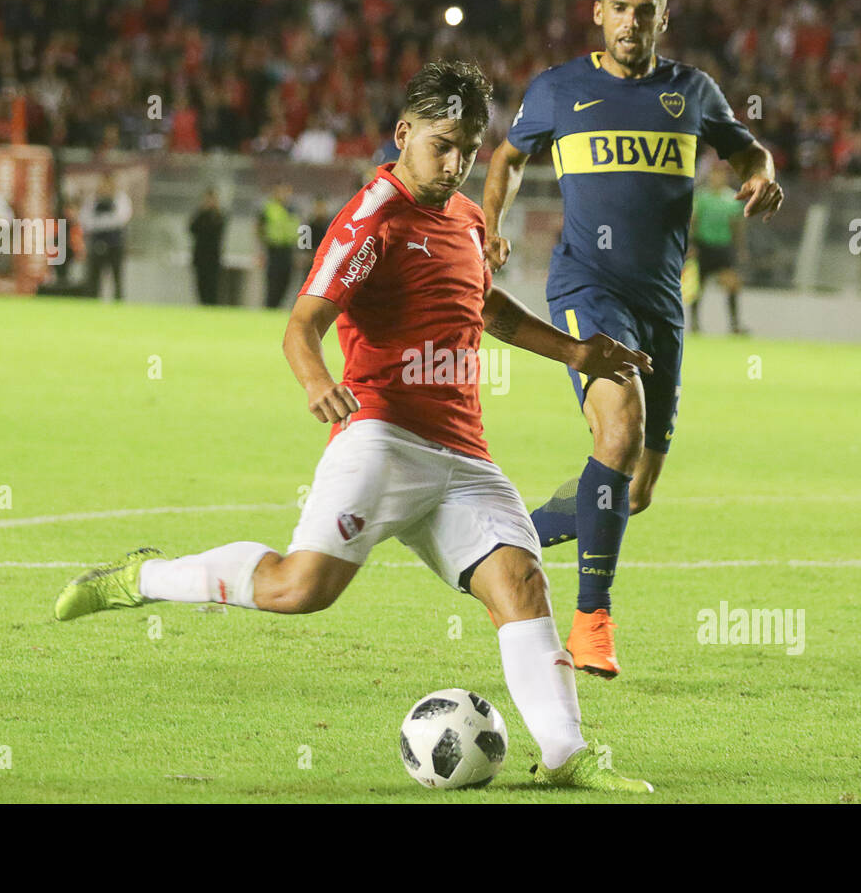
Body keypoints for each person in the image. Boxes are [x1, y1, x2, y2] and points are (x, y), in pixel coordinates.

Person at [54, 60, 655, 792]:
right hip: (381, 436)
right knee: (299, 589)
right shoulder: (375, 213)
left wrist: (575, 351)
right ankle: (142, 576)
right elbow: (303, 323)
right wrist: (317, 382)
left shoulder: (465, 218)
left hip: (463, 454)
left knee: (522, 582)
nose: (458, 162)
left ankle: (565, 754)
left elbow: (486, 308)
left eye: (469, 146)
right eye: (443, 144)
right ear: (404, 134)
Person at [480, 0, 783, 677]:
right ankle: (590, 624)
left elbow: (748, 153)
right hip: (588, 290)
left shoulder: (693, 92)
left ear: (663, 17)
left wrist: (761, 174)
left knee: (633, 490)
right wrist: (489, 223)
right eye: (620, 8)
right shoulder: (559, 89)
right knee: (618, 427)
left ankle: (504, 532)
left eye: (645, 11)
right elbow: (507, 160)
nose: (631, 21)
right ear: (599, 11)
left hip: (662, 306)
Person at [687, 160, 749, 334]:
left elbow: (737, 227)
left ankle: (735, 324)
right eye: (714, 173)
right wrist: (691, 244)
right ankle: (695, 324)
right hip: (703, 246)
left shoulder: (732, 199)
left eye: (721, 174)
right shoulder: (701, 197)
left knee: (732, 285)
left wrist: (740, 249)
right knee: (698, 287)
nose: (717, 177)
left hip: (723, 247)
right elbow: (693, 222)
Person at [81, 174, 133, 300]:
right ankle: (92, 302)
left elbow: (121, 219)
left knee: (117, 278)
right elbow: (85, 220)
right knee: (93, 278)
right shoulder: (92, 199)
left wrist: (100, 222)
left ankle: (118, 302)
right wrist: (105, 222)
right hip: (96, 243)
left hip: (115, 244)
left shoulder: (120, 199)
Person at [259, 182, 299, 308]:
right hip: (273, 250)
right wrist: (261, 251)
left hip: (288, 250)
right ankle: (270, 308)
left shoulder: (293, 210)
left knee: (286, 283)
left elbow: (303, 230)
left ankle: (276, 308)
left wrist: (301, 250)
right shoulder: (269, 208)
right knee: (273, 284)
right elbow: (259, 229)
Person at [188, 188, 227, 305]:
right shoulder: (200, 214)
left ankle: (212, 305)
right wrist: (202, 212)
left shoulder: (219, 216)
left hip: (213, 257)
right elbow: (192, 228)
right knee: (201, 285)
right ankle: (202, 304)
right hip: (200, 256)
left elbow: (218, 231)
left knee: (212, 285)